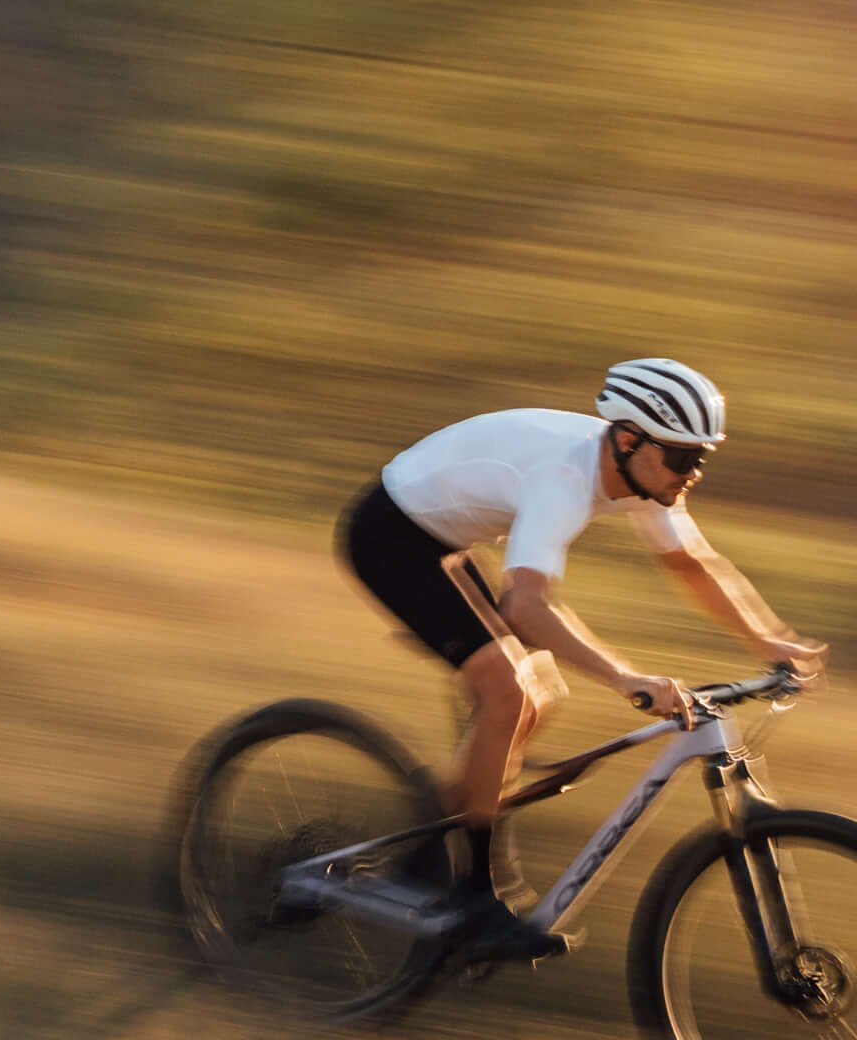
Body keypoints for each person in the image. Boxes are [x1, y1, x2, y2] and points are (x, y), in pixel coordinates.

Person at [335, 358, 826, 962]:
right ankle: (473, 898)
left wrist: (770, 640)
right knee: (508, 691)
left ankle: (428, 842)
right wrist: (627, 679)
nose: (693, 472)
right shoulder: (566, 476)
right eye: (682, 457)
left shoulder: (646, 477)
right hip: (389, 536)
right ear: (629, 440)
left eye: (701, 457)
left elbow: (692, 564)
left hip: (446, 542)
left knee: (540, 699)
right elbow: (525, 604)